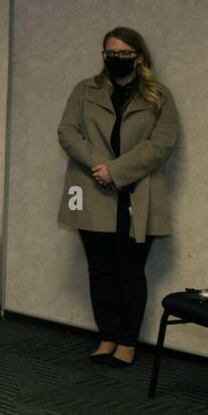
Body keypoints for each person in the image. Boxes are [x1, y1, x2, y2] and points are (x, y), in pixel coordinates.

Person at [57, 26, 178, 368]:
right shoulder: (85, 90)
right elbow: (67, 132)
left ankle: (127, 342)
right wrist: (100, 165)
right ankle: (106, 337)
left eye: (124, 54)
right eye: (110, 53)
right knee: (100, 270)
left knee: (129, 270)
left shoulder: (159, 96)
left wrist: (118, 170)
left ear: (138, 57)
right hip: (93, 191)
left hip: (137, 196)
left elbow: (162, 144)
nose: (116, 59)